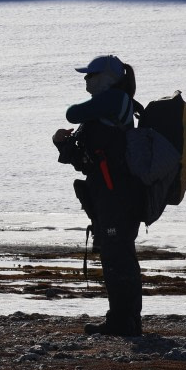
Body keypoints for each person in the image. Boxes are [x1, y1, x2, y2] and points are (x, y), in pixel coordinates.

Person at [52, 54, 145, 337]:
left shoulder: (114, 100)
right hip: (109, 192)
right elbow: (86, 156)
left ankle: (124, 322)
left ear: (106, 77)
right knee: (114, 253)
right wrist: (62, 144)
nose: (86, 80)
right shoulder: (110, 106)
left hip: (116, 194)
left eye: (90, 75)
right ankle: (122, 319)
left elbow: (72, 113)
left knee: (118, 255)